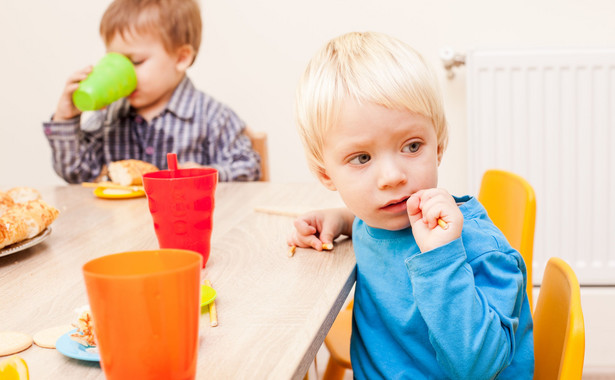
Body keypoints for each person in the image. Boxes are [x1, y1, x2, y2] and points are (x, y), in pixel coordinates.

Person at [288, 31, 534, 379]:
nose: (391, 177)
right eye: (362, 157)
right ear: (325, 174)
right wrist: (341, 221)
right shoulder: (376, 217)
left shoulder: (478, 248)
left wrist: (441, 260)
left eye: (412, 146)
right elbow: (368, 226)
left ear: (439, 145)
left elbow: (480, 368)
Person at [43, 0, 261, 183]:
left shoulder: (213, 117)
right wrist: (66, 118)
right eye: (116, 61)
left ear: (181, 58)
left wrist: (205, 175)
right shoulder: (108, 117)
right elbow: (76, 173)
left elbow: (249, 169)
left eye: (135, 62)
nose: (123, 74)